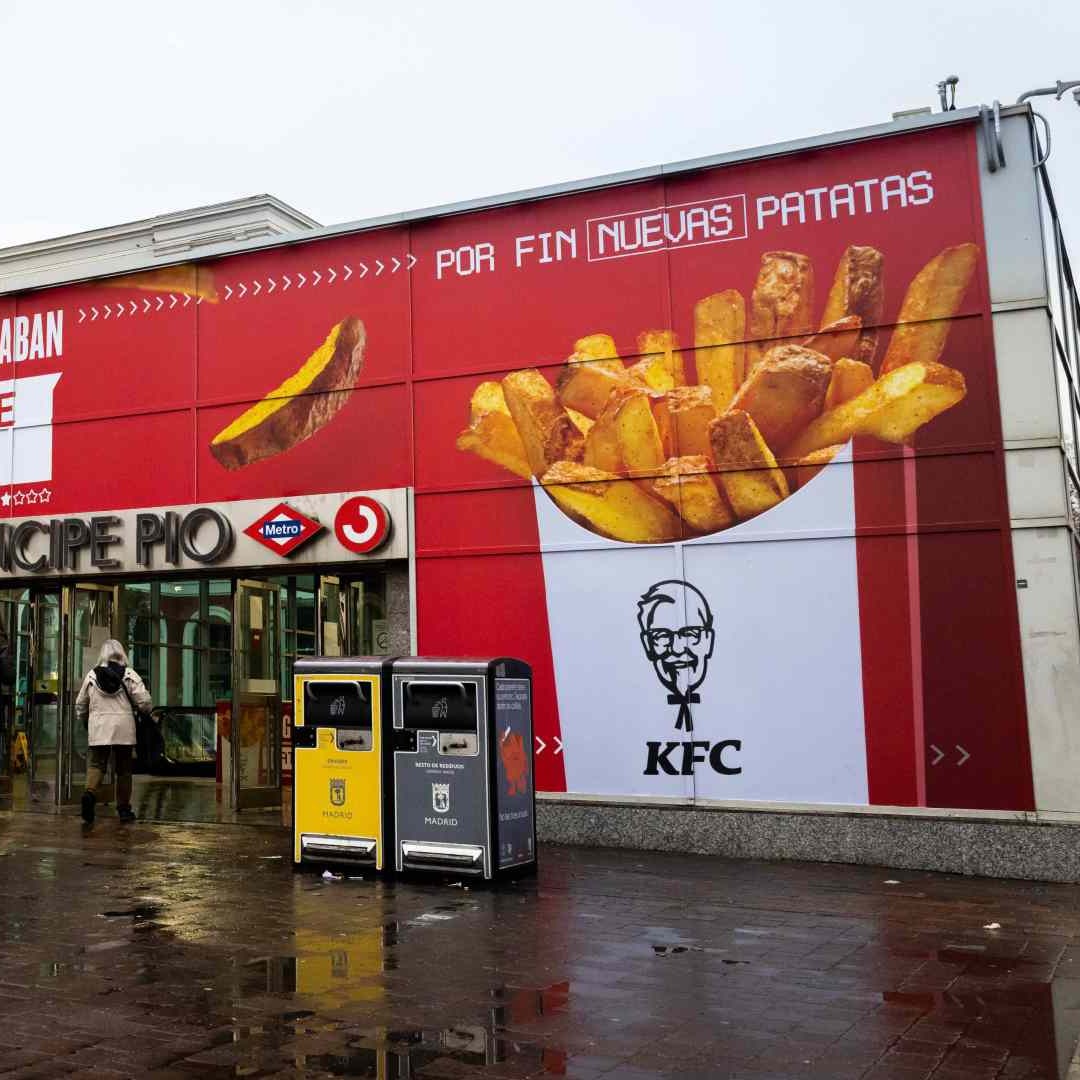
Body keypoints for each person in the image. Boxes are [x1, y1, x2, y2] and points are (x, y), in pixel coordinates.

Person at [75, 639, 152, 825]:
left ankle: (90, 794)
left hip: (99, 727)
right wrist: (145, 712)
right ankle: (124, 810)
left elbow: (80, 704)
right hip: (123, 729)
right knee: (124, 770)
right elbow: (144, 702)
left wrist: (85, 718)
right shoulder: (129, 674)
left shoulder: (92, 676)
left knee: (97, 764)